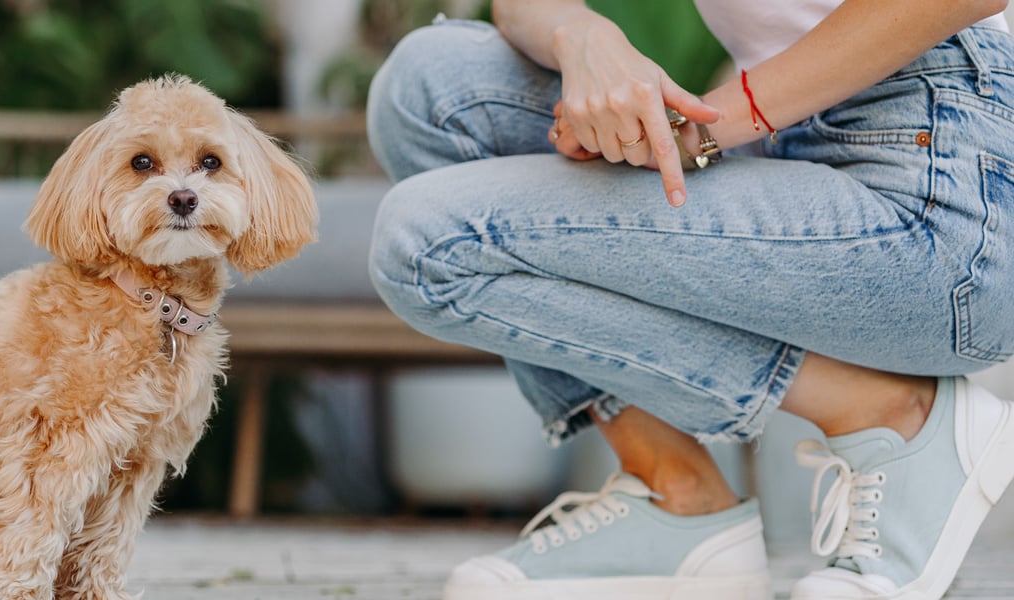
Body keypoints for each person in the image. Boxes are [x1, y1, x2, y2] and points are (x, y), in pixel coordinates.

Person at [364, 0, 1014, 598]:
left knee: (427, 246)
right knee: (431, 87)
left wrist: (711, 123)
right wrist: (582, 36)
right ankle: (675, 494)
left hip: (951, 176)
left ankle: (893, 417)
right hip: (790, 138)